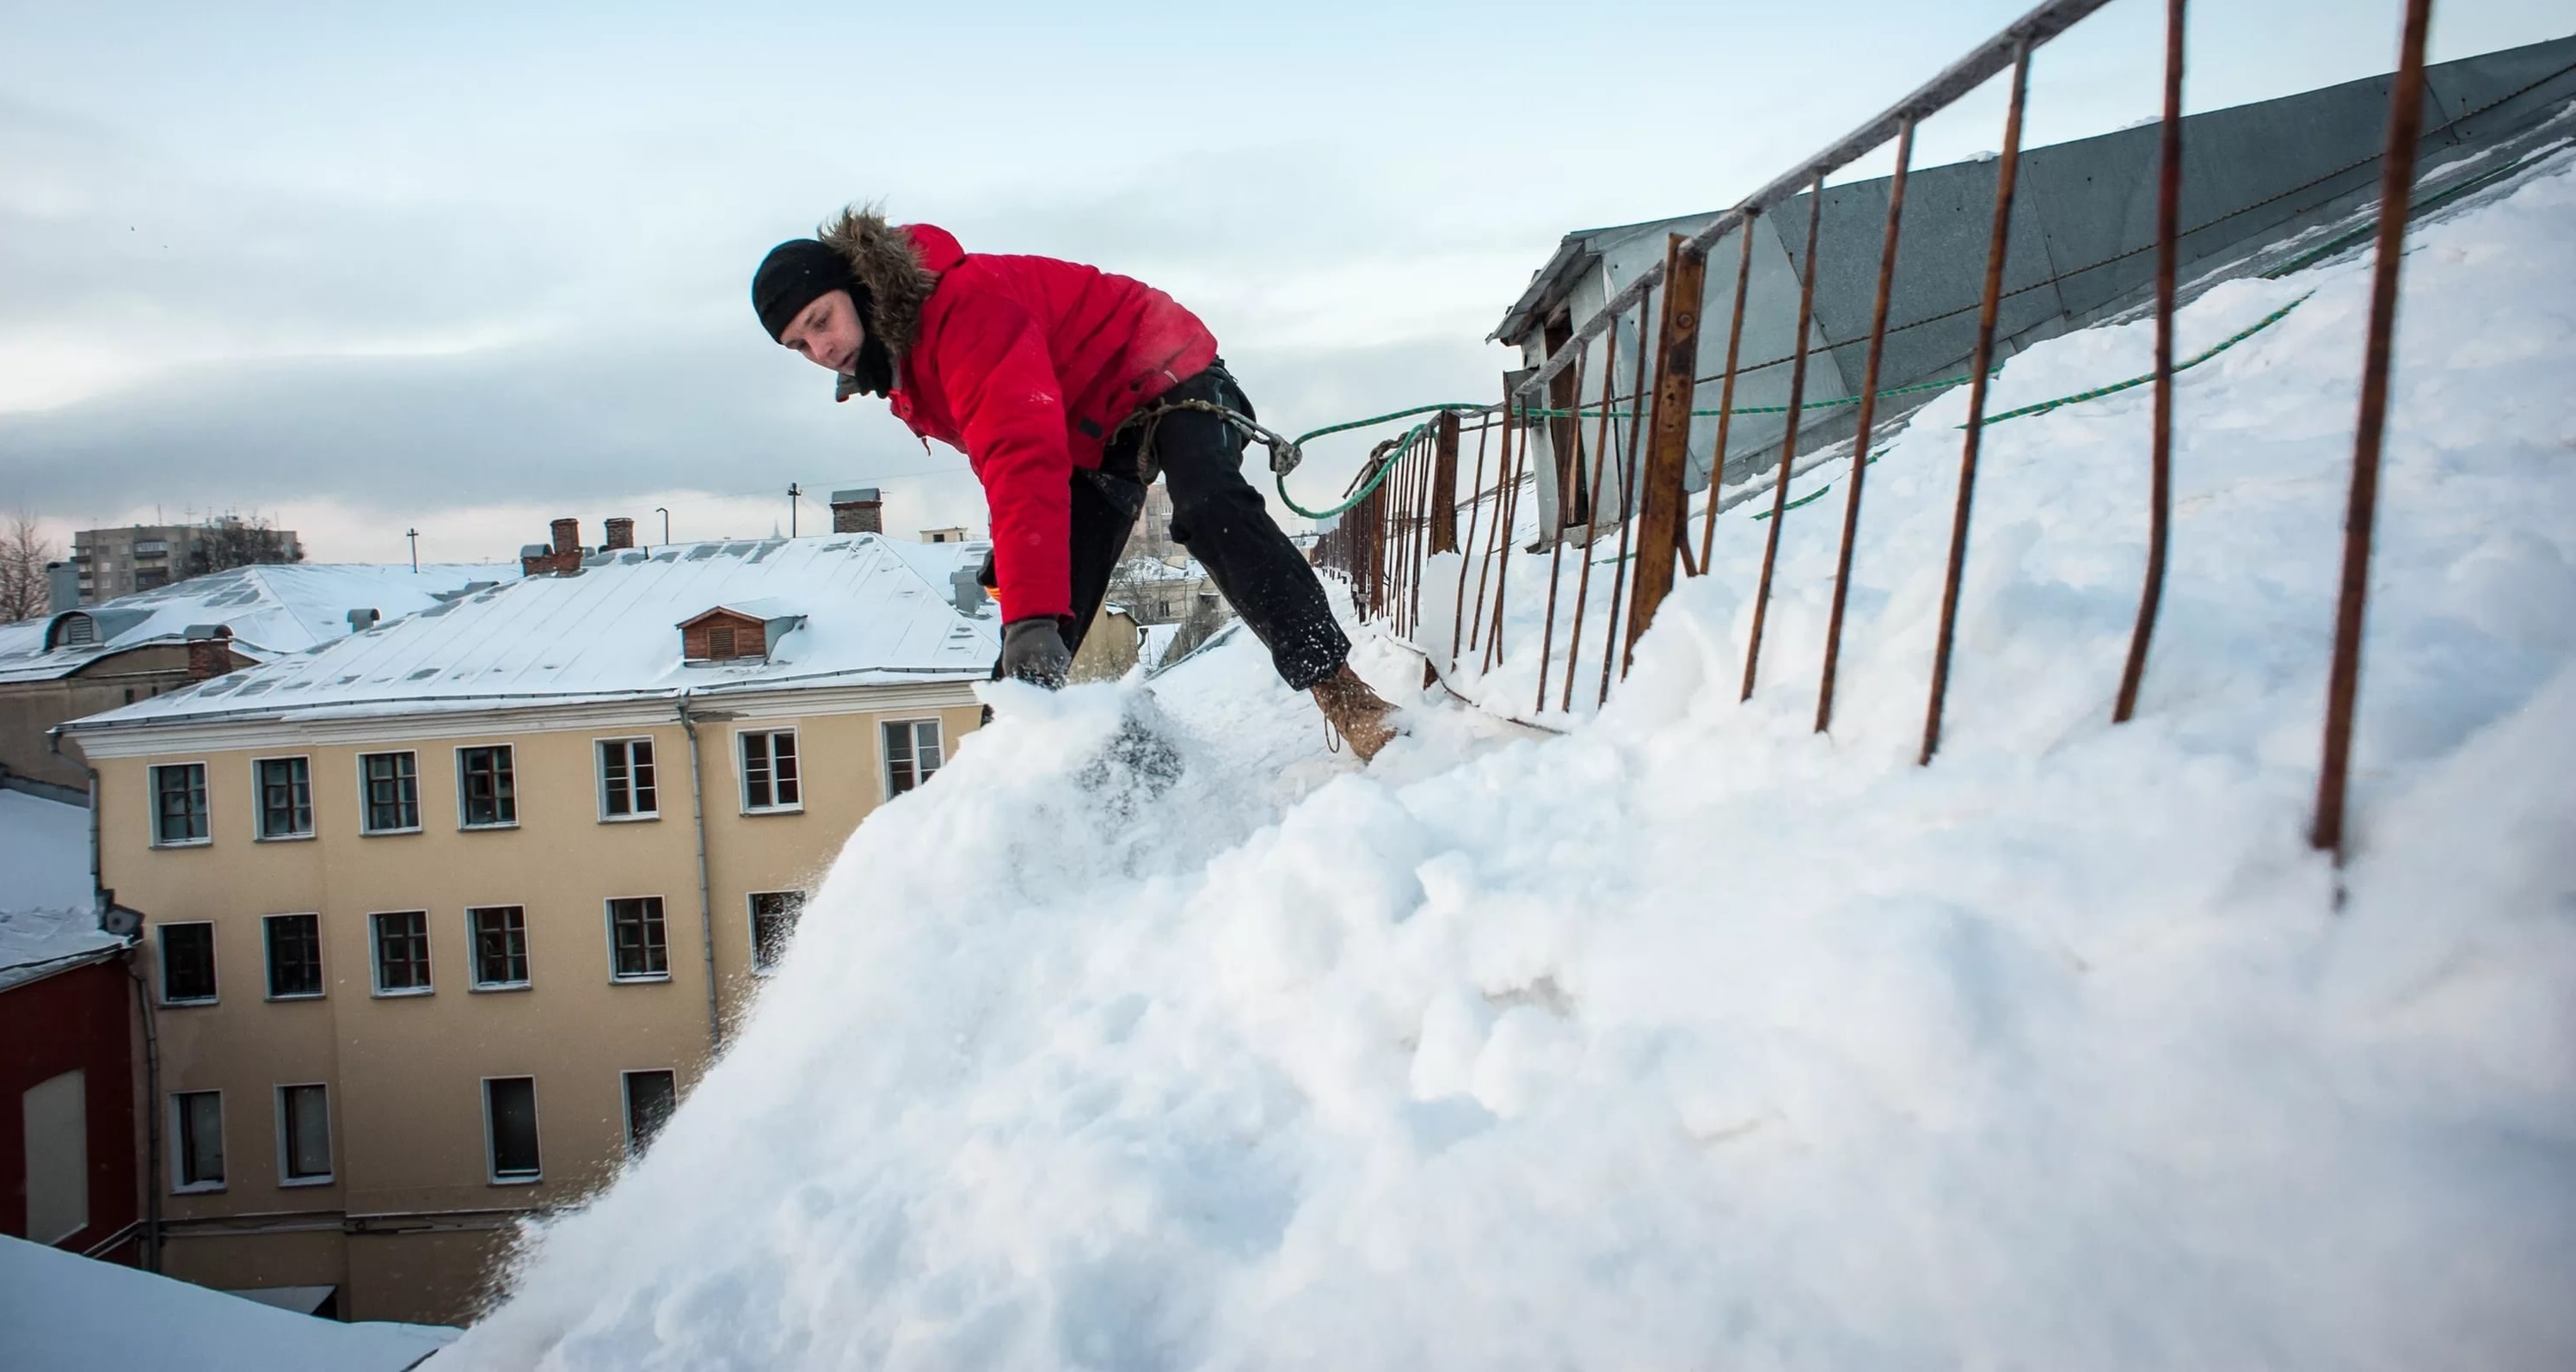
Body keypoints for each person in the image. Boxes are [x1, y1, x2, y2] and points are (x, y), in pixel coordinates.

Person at [750, 205, 1401, 760]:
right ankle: (997, 786)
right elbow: (1001, 461)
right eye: (799, 346)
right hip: (1088, 435)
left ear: (857, 288)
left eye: (821, 321)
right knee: (1035, 615)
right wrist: (1027, 589)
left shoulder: (961, 310)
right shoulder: (900, 367)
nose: (820, 350)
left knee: (1208, 508)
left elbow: (1018, 456)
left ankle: (1345, 695)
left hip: (1159, 371)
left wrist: (1031, 611)